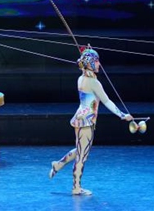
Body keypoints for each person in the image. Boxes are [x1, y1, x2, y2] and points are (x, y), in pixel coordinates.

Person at [49, 46, 132, 196]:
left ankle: (58, 164)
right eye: (97, 61)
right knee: (82, 155)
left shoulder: (81, 78)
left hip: (81, 118)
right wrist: (122, 115)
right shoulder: (94, 83)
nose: (99, 64)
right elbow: (107, 101)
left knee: (80, 150)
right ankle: (76, 187)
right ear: (91, 63)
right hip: (86, 121)